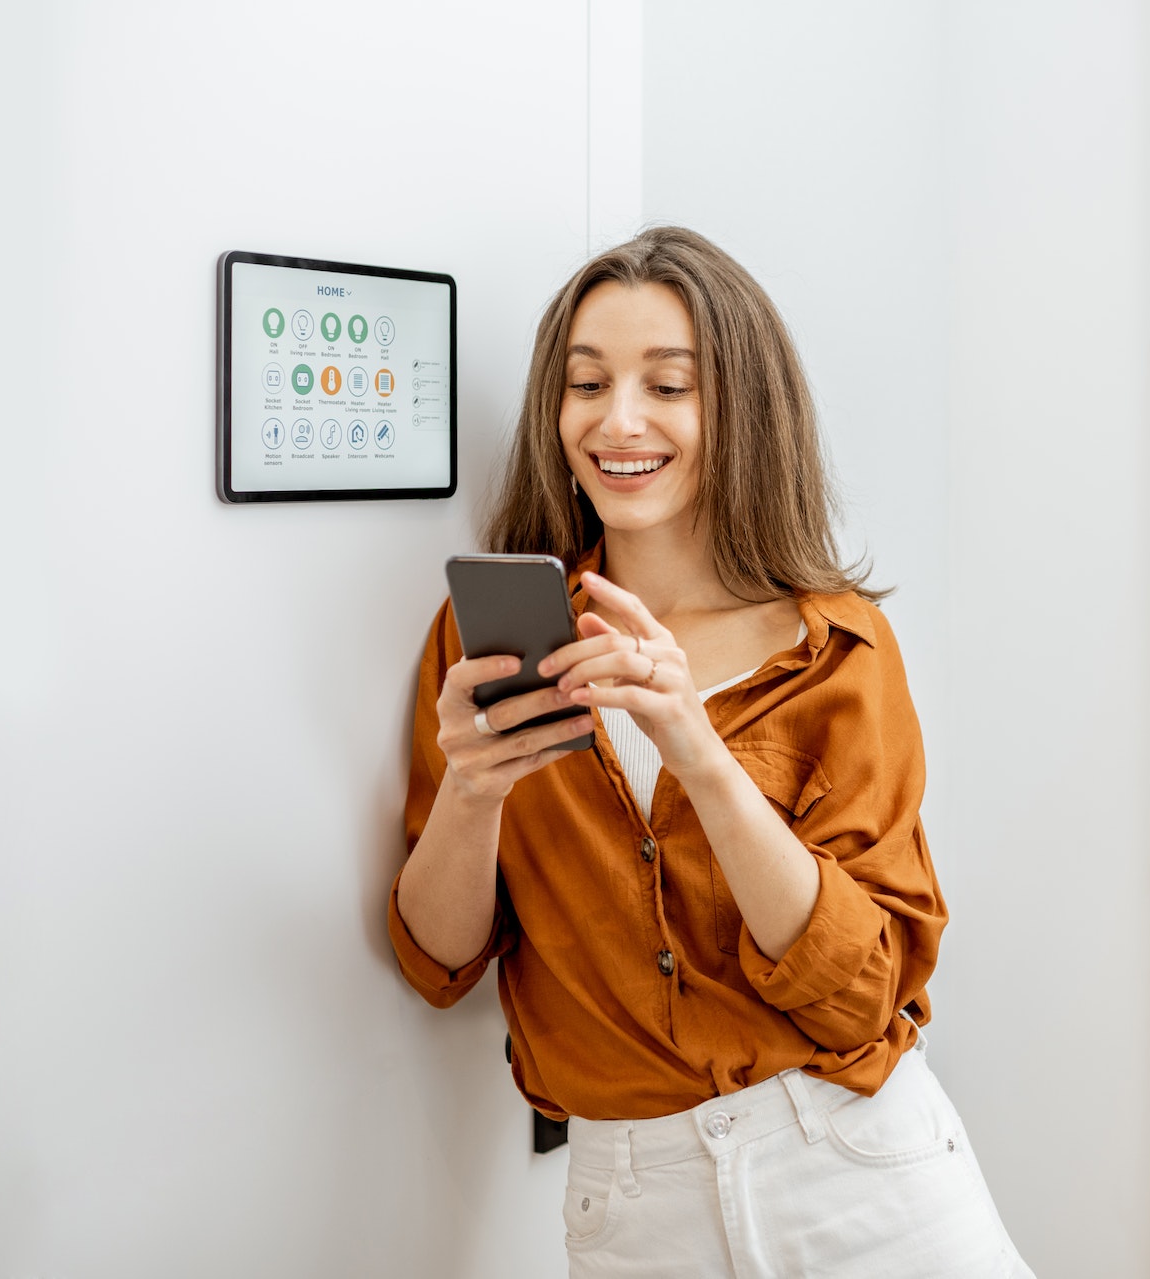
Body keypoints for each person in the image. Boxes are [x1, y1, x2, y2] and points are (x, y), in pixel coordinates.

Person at [387, 227, 1031, 1277]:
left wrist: (696, 751)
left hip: (857, 1171)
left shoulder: (835, 647)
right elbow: (438, 961)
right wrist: (472, 787)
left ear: (739, 407)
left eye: (668, 385)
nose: (618, 420)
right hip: (633, 1204)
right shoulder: (486, 638)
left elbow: (861, 992)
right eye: (585, 383)